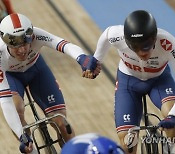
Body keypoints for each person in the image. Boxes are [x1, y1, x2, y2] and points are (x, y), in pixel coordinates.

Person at [0, 13, 100, 153]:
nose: (22, 50)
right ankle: (31, 148)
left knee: (62, 124)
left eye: (25, 43)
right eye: (16, 46)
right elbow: (5, 102)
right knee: (17, 108)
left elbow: (62, 44)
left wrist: (81, 58)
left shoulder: (36, 34)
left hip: (37, 71)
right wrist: (21, 135)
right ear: (6, 42)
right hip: (11, 77)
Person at [83, 10, 175, 154]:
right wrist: (97, 59)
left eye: (145, 46)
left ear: (154, 39)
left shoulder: (168, 43)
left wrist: (173, 116)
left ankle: (170, 150)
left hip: (159, 81)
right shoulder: (118, 35)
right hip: (128, 83)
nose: (141, 53)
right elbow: (106, 35)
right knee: (127, 142)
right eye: (134, 47)